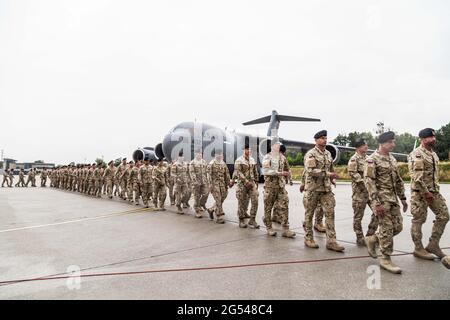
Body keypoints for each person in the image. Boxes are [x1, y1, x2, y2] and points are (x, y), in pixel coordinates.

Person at [364, 131, 408, 274]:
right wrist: (376, 203)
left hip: (393, 199)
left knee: (398, 227)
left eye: (393, 142)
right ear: (382, 143)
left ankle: (373, 239)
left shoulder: (392, 159)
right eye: (391, 142)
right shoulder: (372, 159)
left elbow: (398, 180)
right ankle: (385, 258)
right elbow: (369, 182)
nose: (393, 144)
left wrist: (403, 198)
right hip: (381, 200)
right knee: (387, 228)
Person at [408, 128, 449, 260]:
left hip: (433, 192)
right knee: (418, 219)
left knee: (444, 215)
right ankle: (418, 248)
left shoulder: (433, 154)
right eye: (431, 137)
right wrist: (426, 192)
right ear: (424, 139)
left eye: (434, 137)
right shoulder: (417, 154)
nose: (434, 139)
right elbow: (416, 177)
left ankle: (433, 245)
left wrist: (432, 192)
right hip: (420, 193)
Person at [302, 130, 344, 252]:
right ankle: (308, 238)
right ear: (316, 140)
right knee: (309, 214)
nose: (324, 140)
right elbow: (311, 171)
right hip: (313, 189)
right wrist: (329, 174)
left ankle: (331, 241)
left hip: (326, 189)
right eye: (321, 138)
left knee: (330, 213)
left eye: (325, 138)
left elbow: (331, 167)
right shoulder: (311, 154)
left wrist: (332, 179)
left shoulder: (328, 154)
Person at [261, 140, 296, 238]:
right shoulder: (267, 157)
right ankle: (269, 227)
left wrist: (290, 178)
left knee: (284, 206)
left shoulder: (282, 157)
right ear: (272, 147)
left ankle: (286, 229)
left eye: (278, 145)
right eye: (276, 145)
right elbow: (266, 171)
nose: (278, 146)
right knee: (268, 208)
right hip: (270, 187)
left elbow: (287, 169)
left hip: (281, 187)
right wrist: (280, 173)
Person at [347, 139, 378, 246]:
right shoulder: (353, 159)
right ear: (358, 147)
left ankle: (370, 235)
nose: (366, 146)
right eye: (364, 145)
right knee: (358, 217)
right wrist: (366, 183)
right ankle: (360, 238)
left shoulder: (369, 159)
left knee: (378, 213)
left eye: (366, 144)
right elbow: (353, 174)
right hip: (359, 193)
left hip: (370, 193)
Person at [234, 142, 260, 229]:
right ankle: (241, 220)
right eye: (247, 149)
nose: (249, 150)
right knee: (241, 202)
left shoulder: (252, 160)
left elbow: (255, 171)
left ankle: (252, 219)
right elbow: (238, 172)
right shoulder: (239, 160)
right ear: (243, 150)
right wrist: (245, 181)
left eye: (250, 149)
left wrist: (256, 182)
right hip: (242, 184)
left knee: (255, 200)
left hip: (251, 183)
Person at [207, 150, 230, 224]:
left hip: (222, 184)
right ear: (215, 155)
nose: (220, 156)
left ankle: (211, 209)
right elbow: (208, 175)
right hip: (215, 184)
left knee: (223, 197)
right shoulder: (211, 164)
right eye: (218, 154)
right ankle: (219, 216)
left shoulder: (223, 163)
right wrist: (210, 185)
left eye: (221, 154)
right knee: (218, 199)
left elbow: (227, 174)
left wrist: (228, 183)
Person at [189, 150, 209, 218]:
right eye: (199, 154)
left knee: (206, 193)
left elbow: (207, 171)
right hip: (196, 183)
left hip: (204, 181)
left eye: (201, 154)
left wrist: (208, 180)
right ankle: (197, 210)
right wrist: (195, 181)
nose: (200, 155)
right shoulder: (192, 163)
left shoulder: (204, 162)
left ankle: (201, 204)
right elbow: (192, 173)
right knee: (196, 197)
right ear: (195, 154)